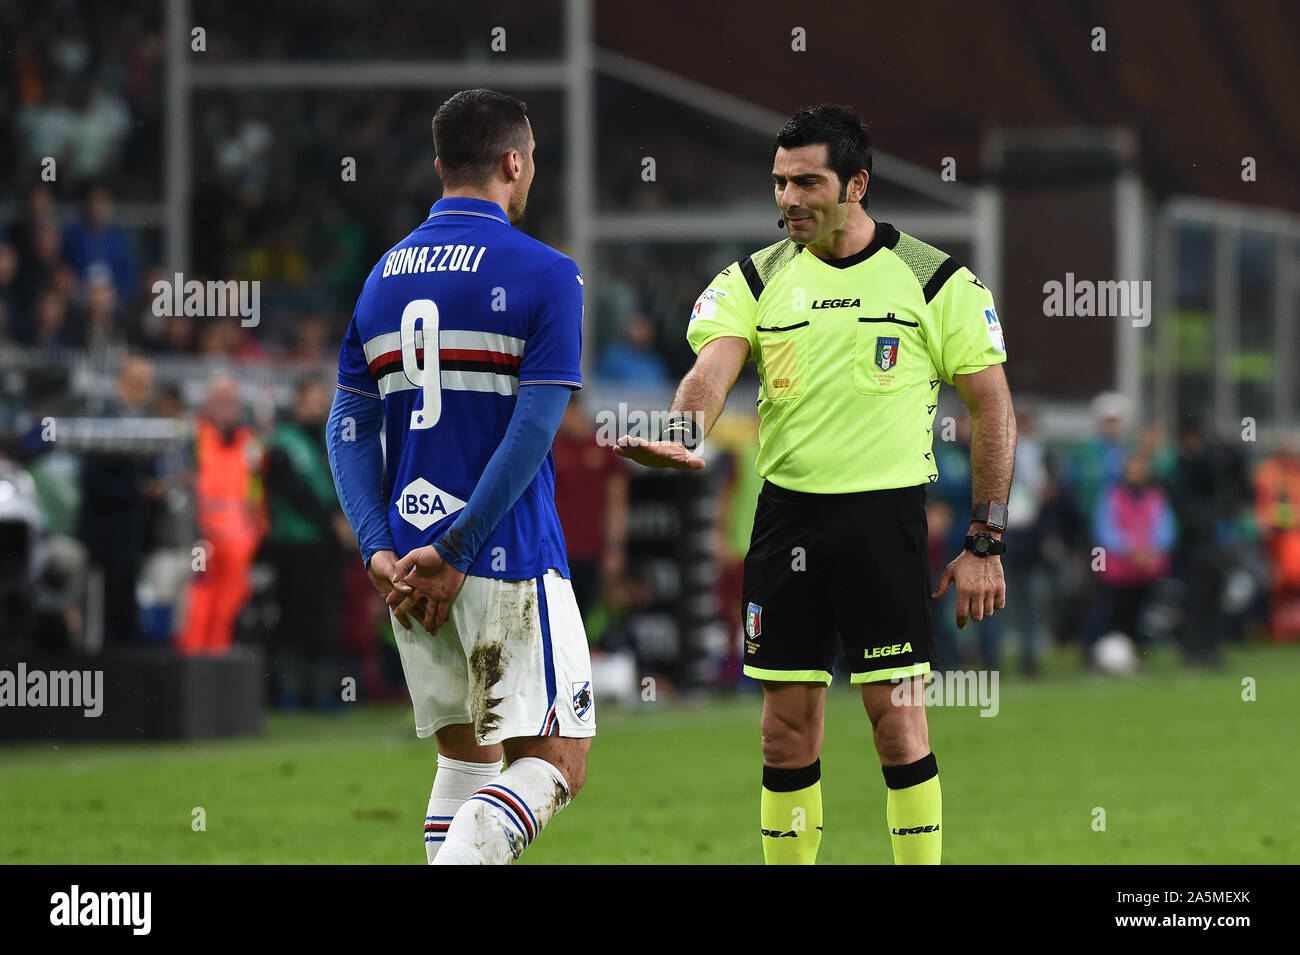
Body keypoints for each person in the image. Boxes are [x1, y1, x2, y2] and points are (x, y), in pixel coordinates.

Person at [615, 104, 1016, 865]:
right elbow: (711, 370)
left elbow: (992, 406)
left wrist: (985, 538)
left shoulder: (935, 280)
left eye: (808, 182)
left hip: (885, 521)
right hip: (786, 522)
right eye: (779, 183)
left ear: (857, 184)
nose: (789, 199)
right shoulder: (754, 278)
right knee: (782, 727)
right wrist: (679, 431)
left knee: (897, 725)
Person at [327, 89, 593, 865]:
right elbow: (534, 428)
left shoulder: (380, 276)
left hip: (409, 563)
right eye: (532, 158)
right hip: (501, 552)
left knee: (463, 761)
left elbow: (346, 428)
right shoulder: (548, 273)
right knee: (556, 761)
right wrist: (465, 545)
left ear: (440, 164)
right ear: (515, 162)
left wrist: (378, 547)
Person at [265, 377, 352, 707]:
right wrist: (332, 521)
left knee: (325, 618)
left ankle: (320, 690)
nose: (319, 407)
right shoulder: (283, 442)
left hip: (325, 543)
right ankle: (287, 690)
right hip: (294, 542)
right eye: (313, 401)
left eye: (322, 401)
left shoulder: (325, 438)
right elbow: (294, 492)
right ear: (298, 401)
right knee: (294, 617)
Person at [175, 377, 265, 655]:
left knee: (228, 608)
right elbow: (180, 480)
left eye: (231, 403)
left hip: (239, 542)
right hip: (202, 538)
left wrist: (255, 529)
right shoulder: (193, 436)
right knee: (198, 606)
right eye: (220, 402)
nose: (226, 409)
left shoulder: (249, 441)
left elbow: (256, 488)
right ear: (207, 404)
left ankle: (218, 667)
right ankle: (191, 666)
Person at [1080, 451, 1176, 655]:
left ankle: (1136, 652)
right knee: (1106, 613)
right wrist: (1131, 548)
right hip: (1116, 570)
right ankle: (1091, 651)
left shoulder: (1155, 497)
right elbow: (1104, 530)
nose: (1136, 475)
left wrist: (1150, 550)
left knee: (1138, 615)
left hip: (1145, 570)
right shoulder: (1112, 496)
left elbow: (1166, 529)